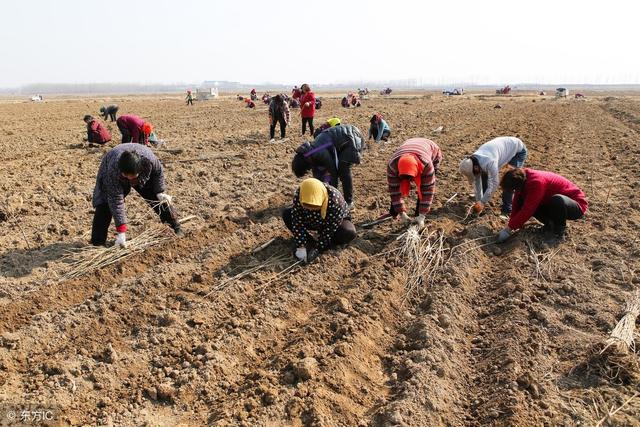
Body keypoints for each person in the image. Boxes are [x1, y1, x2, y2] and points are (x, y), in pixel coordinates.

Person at [91, 143, 182, 247]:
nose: (130, 179)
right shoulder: (113, 170)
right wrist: (121, 231)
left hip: (140, 172)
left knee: (156, 197)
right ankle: (98, 242)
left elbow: (158, 172)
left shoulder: (149, 161)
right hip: (112, 167)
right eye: (126, 176)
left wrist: (160, 191)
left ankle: (175, 227)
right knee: (105, 203)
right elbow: (116, 201)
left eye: (133, 176)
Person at [496, 168, 588, 242]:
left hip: (576, 205)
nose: (514, 192)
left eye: (514, 190)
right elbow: (516, 202)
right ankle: (550, 225)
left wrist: (509, 229)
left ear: (518, 185)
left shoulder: (536, 182)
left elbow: (528, 209)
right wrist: (510, 226)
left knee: (557, 200)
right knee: (527, 201)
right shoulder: (521, 178)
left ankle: (558, 233)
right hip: (552, 205)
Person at [282, 178, 356, 263]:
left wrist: (318, 248)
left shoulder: (335, 199)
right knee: (287, 214)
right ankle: (308, 241)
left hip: (332, 222)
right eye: (307, 207)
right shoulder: (300, 194)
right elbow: (297, 221)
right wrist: (301, 246)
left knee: (348, 232)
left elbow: (330, 229)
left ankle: (328, 244)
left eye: (315, 207)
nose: (311, 210)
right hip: (311, 220)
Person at [291, 124, 364, 209]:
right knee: (326, 173)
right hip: (344, 138)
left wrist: (332, 197)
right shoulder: (309, 154)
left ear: (304, 165)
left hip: (351, 138)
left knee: (343, 169)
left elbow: (333, 173)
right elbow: (317, 176)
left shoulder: (318, 152)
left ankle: (349, 202)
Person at [459, 136, 528, 215]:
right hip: (503, 148)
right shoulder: (474, 162)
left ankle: (507, 209)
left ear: (475, 167)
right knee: (483, 176)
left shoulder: (489, 162)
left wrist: (482, 202)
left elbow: (494, 183)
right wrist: (479, 201)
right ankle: (484, 202)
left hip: (518, 151)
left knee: (510, 180)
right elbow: (477, 181)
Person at [387, 138, 442, 228]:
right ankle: (395, 211)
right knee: (397, 187)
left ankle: (418, 215)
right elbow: (394, 190)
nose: (410, 181)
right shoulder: (392, 166)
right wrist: (402, 214)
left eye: (410, 178)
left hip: (432, 150)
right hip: (410, 146)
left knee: (423, 188)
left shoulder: (427, 166)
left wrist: (422, 216)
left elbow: (428, 191)